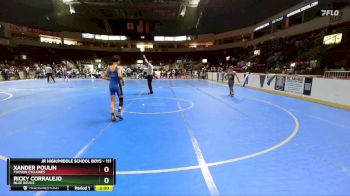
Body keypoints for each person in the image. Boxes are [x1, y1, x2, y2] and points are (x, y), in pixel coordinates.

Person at [104, 55, 125, 122]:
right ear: (118, 61)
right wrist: (123, 80)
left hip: (111, 86)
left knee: (113, 101)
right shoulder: (119, 67)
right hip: (117, 86)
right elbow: (119, 75)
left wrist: (110, 79)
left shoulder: (109, 67)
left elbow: (104, 76)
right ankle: (119, 113)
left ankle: (112, 115)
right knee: (121, 99)